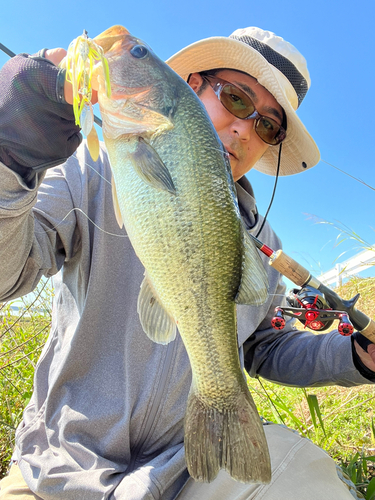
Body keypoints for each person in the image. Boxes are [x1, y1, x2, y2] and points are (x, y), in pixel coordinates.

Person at [0, 26, 374, 500]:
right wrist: (11, 155)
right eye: (236, 100)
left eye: (267, 125)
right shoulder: (88, 169)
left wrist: (356, 357)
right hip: (59, 470)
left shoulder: (263, 242)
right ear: (191, 86)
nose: (243, 127)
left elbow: (265, 346)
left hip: (188, 470)